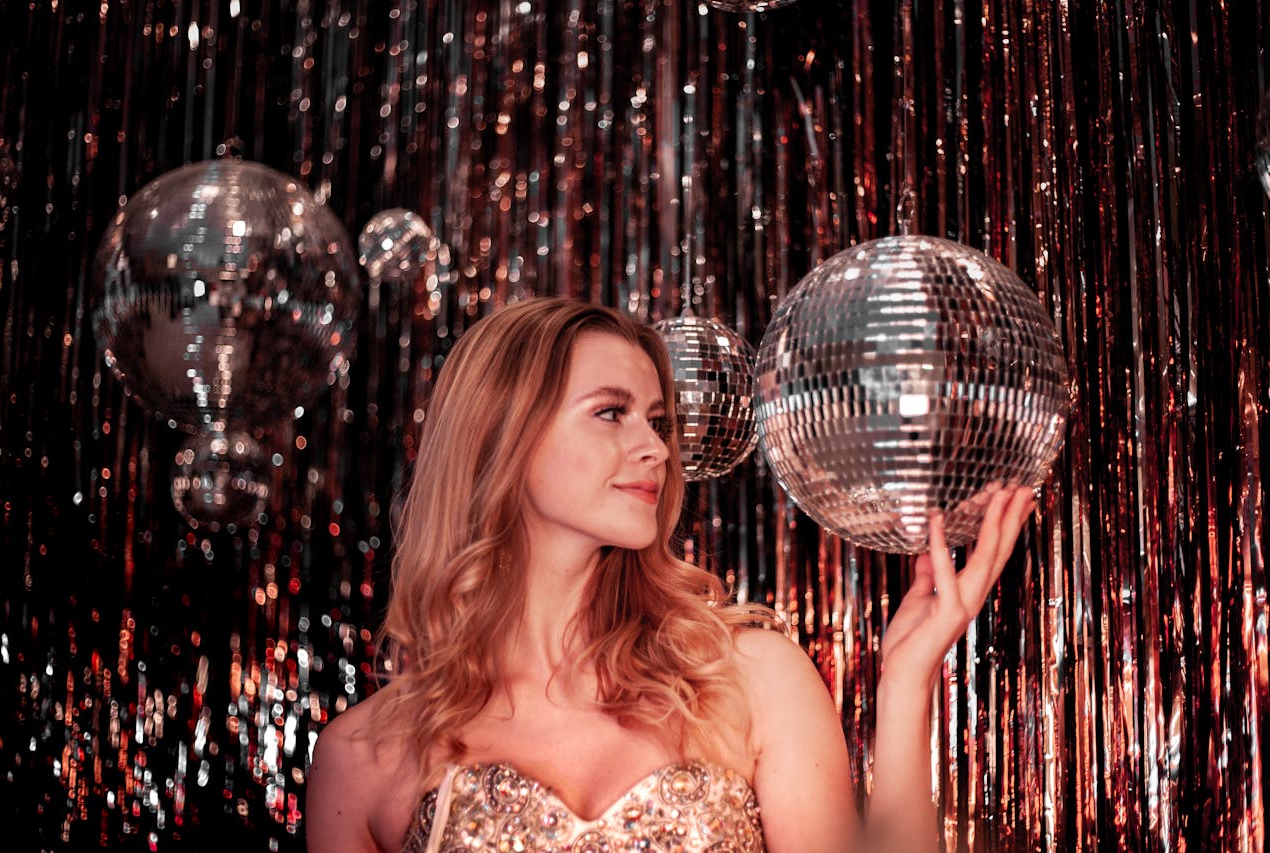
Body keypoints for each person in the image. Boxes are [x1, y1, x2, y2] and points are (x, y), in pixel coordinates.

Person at [306, 297, 1035, 852]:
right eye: (611, 413)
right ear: (503, 435)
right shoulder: (362, 754)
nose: (655, 447)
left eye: (657, 420)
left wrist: (906, 682)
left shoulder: (748, 674)